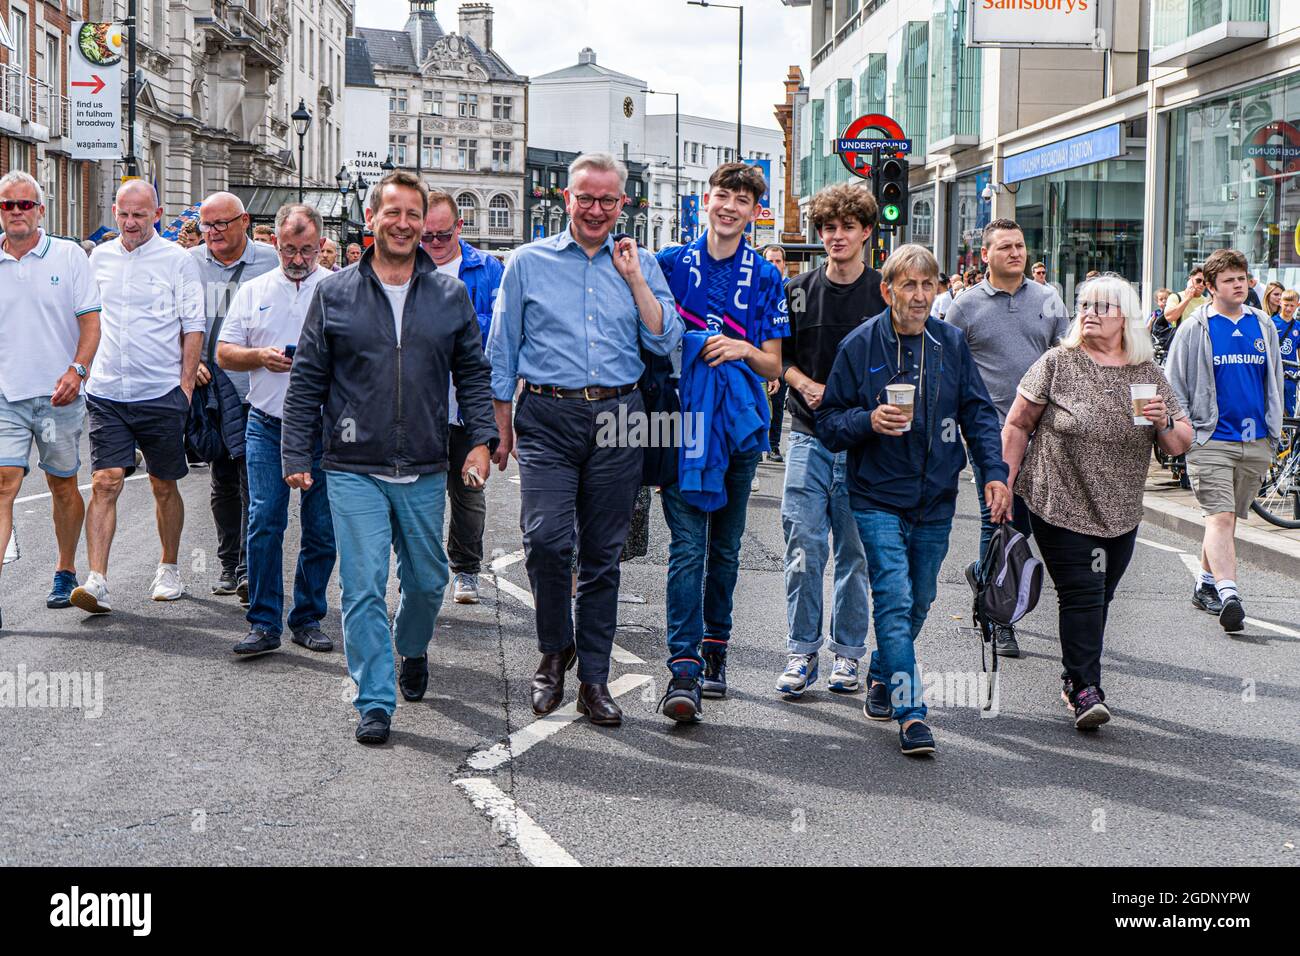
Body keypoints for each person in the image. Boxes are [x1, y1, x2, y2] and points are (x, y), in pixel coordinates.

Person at [282, 171, 497, 745]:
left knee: (428, 582)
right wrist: (296, 450)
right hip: (353, 465)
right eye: (392, 212)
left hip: (425, 463)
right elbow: (307, 380)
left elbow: (473, 375)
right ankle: (374, 699)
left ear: (423, 222)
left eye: (413, 214)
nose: (403, 223)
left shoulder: (449, 296)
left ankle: (411, 647)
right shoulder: (335, 293)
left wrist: (481, 439)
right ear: (373, 218)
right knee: (363, 586)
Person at [487, 152, 681, 728]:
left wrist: (636, 279)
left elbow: (666, 338)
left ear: (624, 204)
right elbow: (502, 347)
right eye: (585, 198)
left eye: (607, 200)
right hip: (547, 413)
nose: (596, 209)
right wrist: (500, 427)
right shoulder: (526, 262)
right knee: (545, 540)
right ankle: (554, 650)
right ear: (565, 199)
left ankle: (593, 678)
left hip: (622, 415)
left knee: (603, 554)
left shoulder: (638, 261)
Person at [816, 244, 1010, 756]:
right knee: (894, 601)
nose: (920, 295)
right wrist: (868, 421)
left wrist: (994, 473)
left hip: (936, 498)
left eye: (929, 285)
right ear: (888, 291)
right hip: (876, 496)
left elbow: (979, 413)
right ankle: (911, 711)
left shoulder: (950, 344)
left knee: (921, 599)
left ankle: (883, 672)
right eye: (909, 285)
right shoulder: (860, 347)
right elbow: (829, 423)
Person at [1003, 275, 1192, 729]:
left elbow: (1179, 443)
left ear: (1124, 317)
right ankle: (1087, 688)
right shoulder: (1058, 363)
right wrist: (1003, 485)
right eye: (1084, 304)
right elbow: (1017, 424)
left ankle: (1073, 674)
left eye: (1101, 306)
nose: (1089, 312)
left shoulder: (1146, 373)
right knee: (1084, 593)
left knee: (1100, 596)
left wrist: (1163, 421)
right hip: (1058, 496)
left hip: (1121, 508)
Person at [652, 162, 787, 722]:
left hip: (735, 428)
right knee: (686, 549)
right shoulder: (669, 264)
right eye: (723, 195)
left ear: (755, 211)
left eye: (743, 199)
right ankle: (682, 666)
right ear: (705, 200)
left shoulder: (766, 276)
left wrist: (738, 349)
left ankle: (716, 649)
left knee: (725, 550)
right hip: (680, 424)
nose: (731, 206)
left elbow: (773, 364)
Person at [69, 181, 206, 614]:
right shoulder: (98, 259)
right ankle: (97, 580)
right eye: (124, 214)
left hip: (159, 391)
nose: (130, 223)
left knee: (163, 484)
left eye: (140, 215)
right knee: (106, 481)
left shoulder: (178, 261)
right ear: (115, 210)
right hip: (107, 390)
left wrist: (184, 388)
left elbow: (193, 326)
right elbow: (82, 318)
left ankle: (168, 567)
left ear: (157, 214)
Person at [773, 182, 881, 698]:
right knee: (803, 546)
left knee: (855, 555)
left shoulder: (884, 292)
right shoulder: (796, 291)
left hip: (864, 443)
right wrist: (802, 383)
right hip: (807, 437)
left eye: (846, 227)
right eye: (827, 228)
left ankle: (848, 655)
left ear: (865, 231)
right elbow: (777, 357)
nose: (836, 236)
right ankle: (800, 652)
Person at [945, 218, 1069, 657]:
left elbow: (1065, 357)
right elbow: (948, 365)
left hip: (1044, 431)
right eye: (1005, 247)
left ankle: (984, 573)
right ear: (985, 256)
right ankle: (1000, 616)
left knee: (1029, 522)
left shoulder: (1049, 299)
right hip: (990, 430)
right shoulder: (965, 306)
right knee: (999, 517)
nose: (1015, 253)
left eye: (1019, 245)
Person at [217, 204, 336, 657]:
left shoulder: (338, 289)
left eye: (307, 250)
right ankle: (264, 621)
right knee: (265, 519)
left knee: (321, 527)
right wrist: (260, 357)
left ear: (321, 245)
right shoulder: (254, 290)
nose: (297, 259)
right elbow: (225, 353)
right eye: (289, 249)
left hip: (323, 427)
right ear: (275, 244)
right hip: (266, 421)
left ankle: (307, 617)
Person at [0, 171, 101, 626]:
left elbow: (91, 323)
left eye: (25, 204)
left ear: (41, 210)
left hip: (60, 394)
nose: (16, 212)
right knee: (3, 483)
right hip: (6, 395)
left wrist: (77, 371)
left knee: (63, 483)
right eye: (8, 205)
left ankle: (65, 570)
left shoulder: (69, 256)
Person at [1166, 248, 1284, 633]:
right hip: (1210, 438)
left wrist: (1274, 426)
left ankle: (1204, 584)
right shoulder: (1195, 327)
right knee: (1220, 515)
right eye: (1230, 280)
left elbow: (1274, 379)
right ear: (1212, 287)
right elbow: (1174, 383)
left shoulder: (1262, 324)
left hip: (1256, 440)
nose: (1239, 285)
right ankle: (1229, 593)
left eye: (1242, 278)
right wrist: (1185, 427)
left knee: (1227, 518)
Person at [191, 192, 278, 601]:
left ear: (244, 221)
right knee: (222, 477)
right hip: (211, 391)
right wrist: (186, 360)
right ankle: (229, 565)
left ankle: (247, 568)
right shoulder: (189, 263)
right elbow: (172, 318)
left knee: (252, 480)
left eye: (221, 224)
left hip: (255, 389)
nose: (212, 233)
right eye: (206, 226)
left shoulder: (270, 261)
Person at [420, 189, 505, 606]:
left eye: (441, 235)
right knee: (419, 494)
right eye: (426, 237)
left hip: (471, 401)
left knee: (469, 490)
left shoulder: (488, 271)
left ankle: (466, 570)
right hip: (420, 405)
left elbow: (504, 340)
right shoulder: (407, 268)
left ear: (459, 226)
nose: (434, 245)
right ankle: (420, 572)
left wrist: (502, 415)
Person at [762, 244, 790, 462]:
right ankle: (757, 449)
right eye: (770, 261)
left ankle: (773, 446)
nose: (773, 265)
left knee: (778, 404)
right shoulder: (756, 289)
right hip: (760, 357)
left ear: (784, 264)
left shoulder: (791, 289)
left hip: (785, 358)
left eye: (777, 261)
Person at [1274, 290, 1300, 416]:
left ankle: (1289, 435)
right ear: (1280, 303)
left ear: (1297, 305)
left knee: (1290, 408)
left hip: (1291, 373)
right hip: (1274, 371)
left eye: (1292, 305)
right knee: (1274, 406)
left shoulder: (1298, 326)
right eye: (1286, 305)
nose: (1289, 308)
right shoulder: (1271, 323)